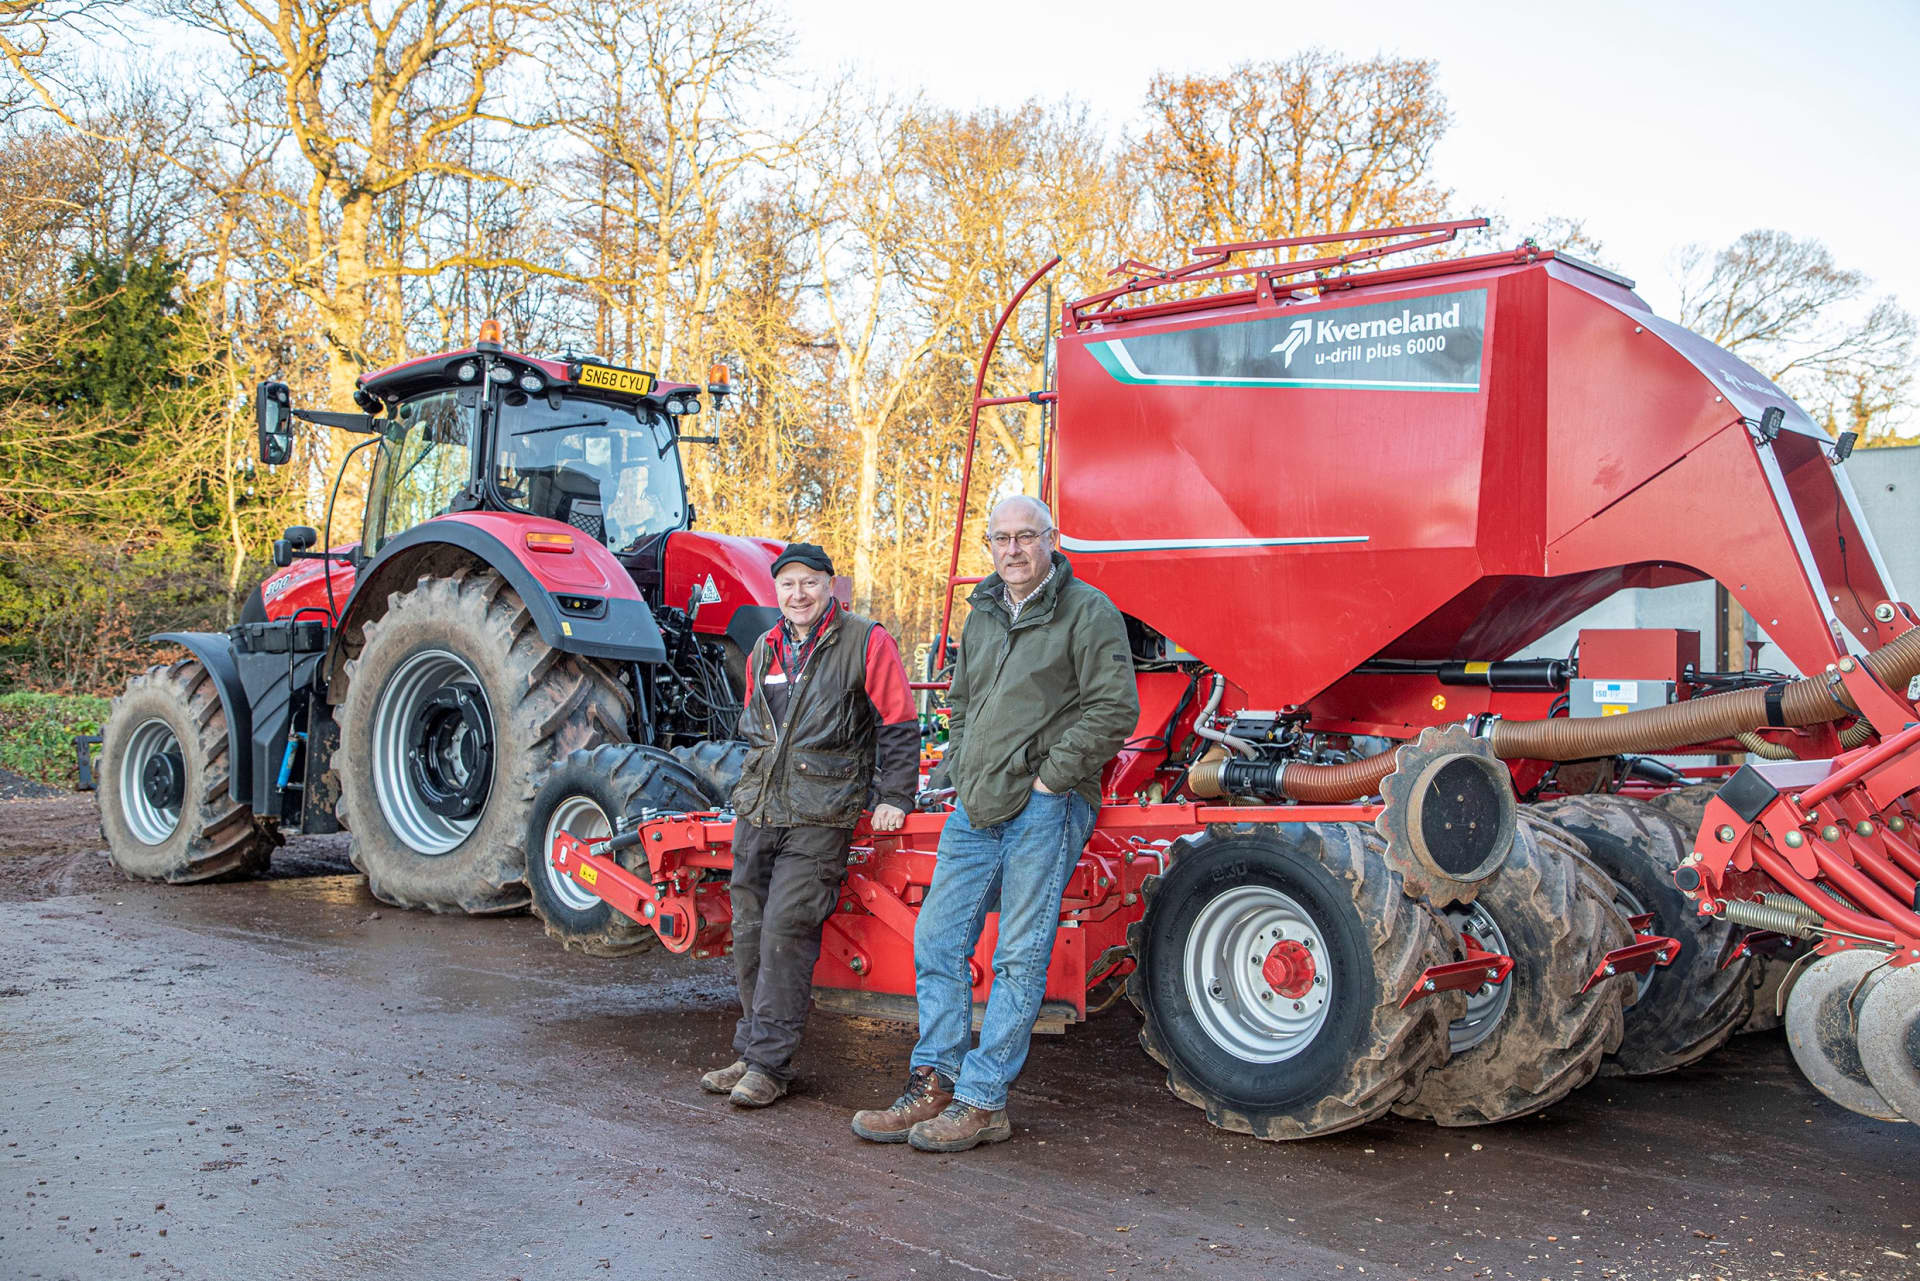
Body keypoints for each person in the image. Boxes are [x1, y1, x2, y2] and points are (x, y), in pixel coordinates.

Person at [850, 497, 1138, 1152]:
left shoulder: (1086, 611)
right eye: (1001, 538)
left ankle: (984, 1101)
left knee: (1019, 952)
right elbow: (962, 696)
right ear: (990, 544)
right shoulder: (981, 613)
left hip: (1047, 803)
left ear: (1051, 540)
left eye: (1026, 537)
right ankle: (935, 1083)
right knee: (936, 940)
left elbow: (1114, 705)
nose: (1013, 549)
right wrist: (959, 763)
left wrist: (1052, 778)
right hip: (977, 801)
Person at [700, 542, 919, 1107]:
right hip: (760, 808)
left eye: (810, 583)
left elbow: (897, 722)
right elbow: (757, 728)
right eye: (789, 584)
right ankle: (752, 1049)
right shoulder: (765, 649)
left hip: (823, 811)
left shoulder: (866, 641)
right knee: (748, 927)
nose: (799, 594)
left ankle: (769, 1067)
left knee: (787, 928)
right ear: (778, 591)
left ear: (830, 586)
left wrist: (895, 794)